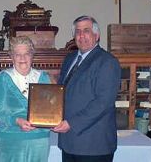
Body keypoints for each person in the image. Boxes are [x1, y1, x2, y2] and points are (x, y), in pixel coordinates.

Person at [52, 15, 121, 162]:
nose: (81, 35)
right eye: (77, 31)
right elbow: (61, 93)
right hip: (69, 142)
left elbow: (103, 103)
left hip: (94, 146)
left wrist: (71, 123)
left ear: (96, 35)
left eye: (86, 31)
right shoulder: (70, 59)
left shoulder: (107, 62)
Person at [0, 36, 51, 162]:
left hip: (39, 139)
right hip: (11, 139)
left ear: (32, 55)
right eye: (18, 54)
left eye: (26, 54)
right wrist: (16, 120)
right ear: (12, 57)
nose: (22, 58)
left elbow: (51, 108)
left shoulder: (43, 77)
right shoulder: (3, 78)